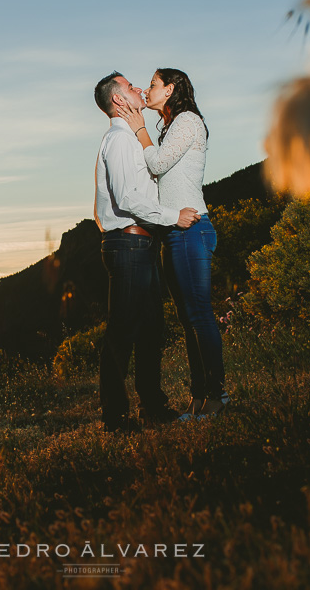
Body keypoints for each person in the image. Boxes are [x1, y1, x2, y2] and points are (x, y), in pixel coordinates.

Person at [115, 68, 227, 419]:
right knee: (187, 317)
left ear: (171, 89)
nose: (147, 91)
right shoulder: (170, 126)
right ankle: (199, 399)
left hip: (193, 229)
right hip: (174, 232)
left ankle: (217, 396)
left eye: (152, 85)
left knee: (200, 315)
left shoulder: (188, 121)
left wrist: (139, 130)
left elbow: (160, 164)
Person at [93, 72, 201, 432]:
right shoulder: (120, 140)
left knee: (150, 330)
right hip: (129, 242)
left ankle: (152, 406)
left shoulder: (130, 139)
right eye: (130, 87)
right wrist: (174, 217)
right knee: (123, 331)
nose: (139, 88)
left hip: (141, 242)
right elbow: (127, 198)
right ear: (120, 100)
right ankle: (114, 416)